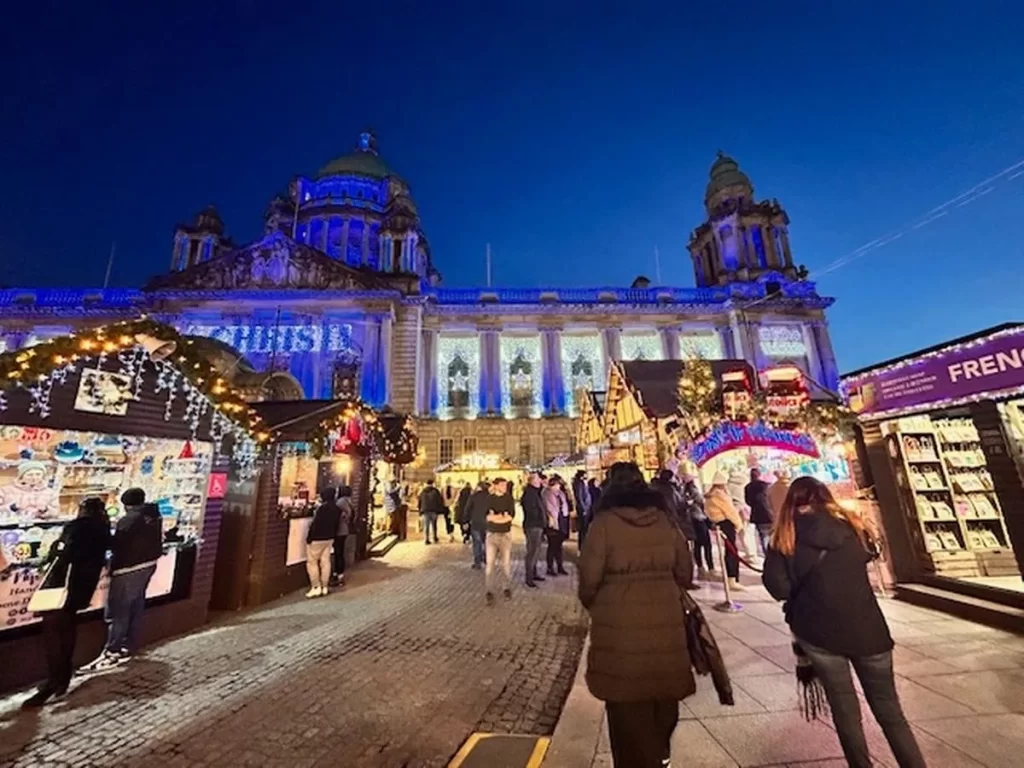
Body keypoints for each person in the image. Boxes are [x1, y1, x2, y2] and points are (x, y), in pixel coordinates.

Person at [763, 477, 925, 768]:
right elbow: (869, 554)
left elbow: (778, 588)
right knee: (890, 711)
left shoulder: (784, 536)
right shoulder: (852, 526)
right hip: (868, 629)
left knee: (845, 711)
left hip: (819, 633)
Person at [578, 462, 696, 767]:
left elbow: (588, 580)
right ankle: (661, 753)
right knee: (663, 693)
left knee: (625, 705)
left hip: (619, 625)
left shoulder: (603, 524)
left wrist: (600, 605)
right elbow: (685, 573)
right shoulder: (665, 521)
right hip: (665, 620)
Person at [23, 497, 111, 707]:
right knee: (67, 631)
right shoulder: (103, 529)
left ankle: (53, 682)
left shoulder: (76, 527)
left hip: (62, 587)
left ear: (83, 510)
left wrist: (54, 548)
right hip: (81, 589)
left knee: (54, 636)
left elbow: (62, 553)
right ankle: (62, 679)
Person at [85, 489, 163, 672]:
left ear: (126, 504)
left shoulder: (128, 520)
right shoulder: (153, 515)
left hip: (128, 568)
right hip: (148, 565)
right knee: (136, 605)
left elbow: (116, 544)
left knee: (119, 610)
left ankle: (112, 650)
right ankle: (129, 645)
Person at [705, 472, 745, 591]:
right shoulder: (720, 495)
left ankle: (731, 579)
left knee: (729, 551)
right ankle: (732, 579)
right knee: (732, 552)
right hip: (726, 523)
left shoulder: (710, 495)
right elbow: (730, 511)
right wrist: (738, 524)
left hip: (719, 523)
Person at [484, 477, 515, 604]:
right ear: (496, 486)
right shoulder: (489, 499)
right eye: (502, 485)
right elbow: (487, 517)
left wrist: (496, 517)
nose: (504, 487)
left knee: (506, 564)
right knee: (490, 564)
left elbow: (510, 517)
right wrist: (501, 516)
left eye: (505, 485)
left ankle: (506, 588)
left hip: (506, 534)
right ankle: (489, 591)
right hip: (492, 534)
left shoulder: (509, 498)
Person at [306, 487, 341, 598]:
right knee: (326, 562)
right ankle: (325, 586)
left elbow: (316, 524)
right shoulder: (337, 509)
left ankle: (316, 587)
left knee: (312, 562)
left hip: (317, 538)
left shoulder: (322, 509)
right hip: (329, 538)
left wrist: (309, 537)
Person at [683, 476, 715, 580]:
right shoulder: (695, 492)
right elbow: (702, 504)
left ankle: (700, 568)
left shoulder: (683, 492)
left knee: (697, 546)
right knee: (707, 545)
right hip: (700, 519)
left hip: (691, 521)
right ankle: (710, 568)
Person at [521, 472, 547, 588]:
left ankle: (534, 573)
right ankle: (529, 577)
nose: (540, 481)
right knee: (532, 551)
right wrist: (539, 519)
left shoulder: (535, 492)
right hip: (533, 526)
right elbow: (532, 510)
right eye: (538, 479)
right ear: (532, 481)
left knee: (536, 551)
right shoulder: (529, 494)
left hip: (537, 525)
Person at [542, 476, 569, 576]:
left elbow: (565, 504)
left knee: (559, 545)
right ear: (552, 485)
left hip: (562, 519)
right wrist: (553, 518)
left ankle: (560, 566)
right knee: (552, 545)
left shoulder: (561, 493)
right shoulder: (546, 493)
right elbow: (549, 508)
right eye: (557, 485)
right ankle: (550, 568)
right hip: (553, 521)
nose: (559, 486)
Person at [744, 468, 773, 557]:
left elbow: (748, 501)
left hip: (757, 515)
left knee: (763, 537)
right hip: (769, 513)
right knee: (772, 536)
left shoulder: (748, 487)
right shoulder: (765, 485)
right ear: (759, 475)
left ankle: (767, 555)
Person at [332, 486, 356, 586]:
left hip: (339, 530)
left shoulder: (341, 501)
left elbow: (345, 514)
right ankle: (338, 573)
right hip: (345, 530)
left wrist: (342, 519)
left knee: (338, 552)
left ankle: (338, 575)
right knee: (340, 552)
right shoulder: (349, 501)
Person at [465, 480, 491, 569]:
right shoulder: (490, 497)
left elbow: (468, 508)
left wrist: (465, 521)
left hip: (475, 522)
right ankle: (487, 558)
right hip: (487, 522)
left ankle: (477, 563)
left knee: (477, 542)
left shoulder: (473, 496)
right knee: (487, 542)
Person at [418, 478, 446, 545]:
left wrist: (420, 510)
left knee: (426, 526)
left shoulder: (423, 492)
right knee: (434, 525)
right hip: (434, 511)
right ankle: (434, 537)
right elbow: (439, 501)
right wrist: (440, 510)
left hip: (425, 510)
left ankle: (426, 539)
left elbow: (420, 501)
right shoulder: (436, 491)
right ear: (432, 484)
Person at [571, 470, 592, 550]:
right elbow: (579, 497)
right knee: (583, 528)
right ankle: (582, 546)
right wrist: (583, 509)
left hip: (585, 507)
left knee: (584, 528)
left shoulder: (581, 483)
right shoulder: (579, 483)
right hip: (583, 509)